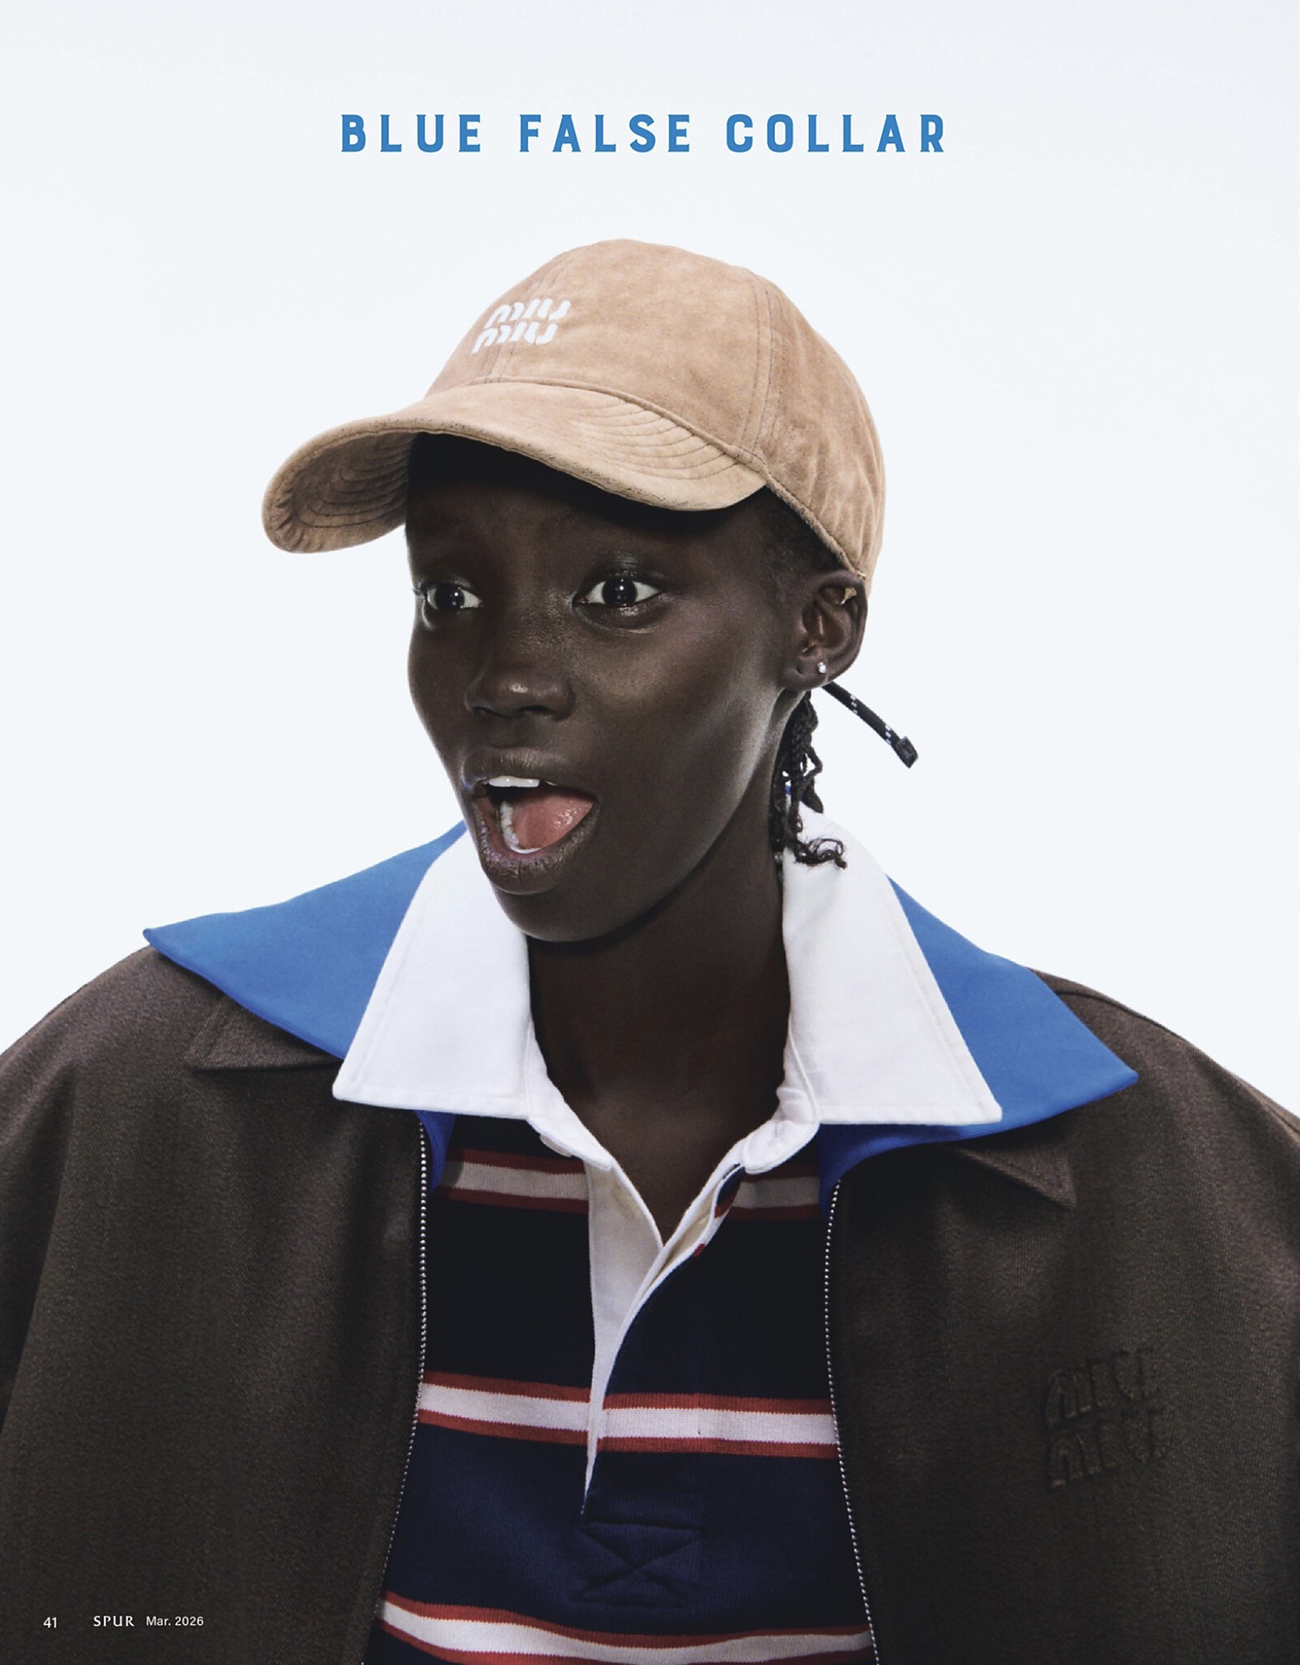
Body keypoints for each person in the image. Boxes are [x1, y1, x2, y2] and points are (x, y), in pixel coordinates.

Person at [0, 240, 1296, 1665]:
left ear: (819, 627)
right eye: (450, 596)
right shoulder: (124, 1112)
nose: (506, 677)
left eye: (616, 592)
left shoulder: (1165, 1186)